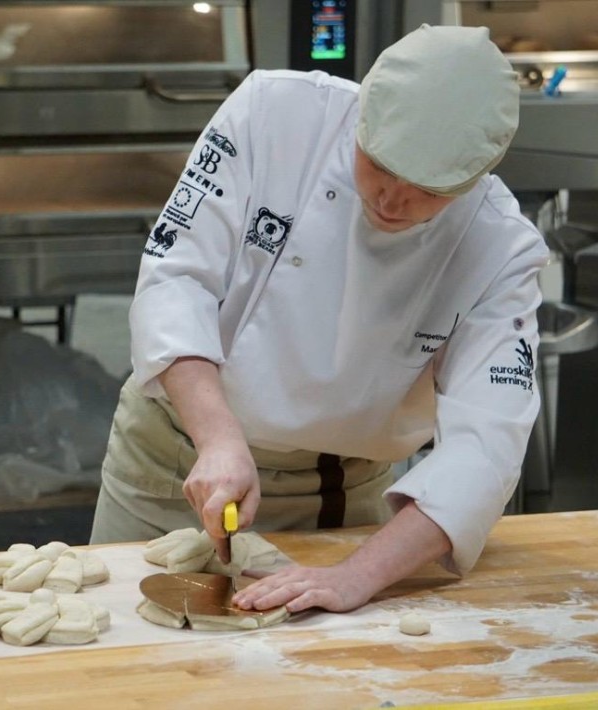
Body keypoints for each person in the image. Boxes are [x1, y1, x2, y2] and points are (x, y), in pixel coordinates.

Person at [89, 24, 550, 614]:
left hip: (343, 498)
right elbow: (177, 278)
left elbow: (487, 446)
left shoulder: (500, 249)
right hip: (174, 460)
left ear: (475, 179)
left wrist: (355, 577)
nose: (390, 199)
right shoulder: (272, 113)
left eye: (426, 192)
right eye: (377, 165)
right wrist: (220, 439)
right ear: (362, 115)